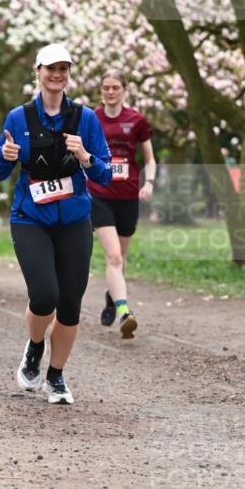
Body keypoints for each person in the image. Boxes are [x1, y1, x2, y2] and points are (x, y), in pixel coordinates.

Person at [0, 43, 111, 405]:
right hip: (31, 219)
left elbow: (105, 174)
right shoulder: (19, 118)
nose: (57, 74)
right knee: (45, 295)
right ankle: (35, 346)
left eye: (63, 68)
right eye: (50, 68)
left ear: (69, 74)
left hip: (74, 220)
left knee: (71, 303)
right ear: (38, 72)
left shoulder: (85, 118)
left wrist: (85, 156)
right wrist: (4, 155)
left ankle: (56, 377)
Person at [87, 69, 156, 338]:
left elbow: (149, 158)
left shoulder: (136, 120)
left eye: (115, 87)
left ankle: (111, 295)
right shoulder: (92, 118)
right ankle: (125, 312)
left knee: (120, 259)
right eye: (106, 87)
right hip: (100, 195)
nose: (110, 92)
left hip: (128, 197)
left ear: (125, 90)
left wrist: (148, 183)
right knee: (113, 256)